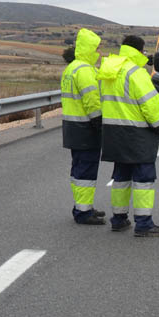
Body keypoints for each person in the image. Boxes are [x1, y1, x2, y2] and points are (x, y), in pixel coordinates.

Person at [97, 35, 159, 237]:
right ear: (139, 50)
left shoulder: (109, 71)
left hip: (113, 133)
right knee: (144, 180)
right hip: (137, 134)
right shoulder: (137, 73)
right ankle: (144, 224)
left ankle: (118, 219)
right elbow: (150, 105)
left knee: (121, 177)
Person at [59, 30, 106, 225]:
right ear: (89, 48)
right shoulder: (85, 70)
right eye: (96, 47)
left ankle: (82, 206)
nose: (98, 51)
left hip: (72, 127)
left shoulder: (71, 69)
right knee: (86, 171)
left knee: (79, 169)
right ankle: (83, 212)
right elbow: (92, 101)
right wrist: (100, 124)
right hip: (85, 128)